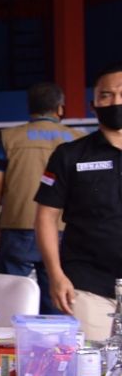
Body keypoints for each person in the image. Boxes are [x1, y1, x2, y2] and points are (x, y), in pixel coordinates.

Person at [36, 64, 122, 341]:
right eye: (106, 95)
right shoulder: (70, 155)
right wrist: (55, 274)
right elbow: (46, 216)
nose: (115, 102)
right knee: (90, 372)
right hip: (87, 286)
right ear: (93, 105)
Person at [0, 82, 82, 314]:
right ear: (60, 108)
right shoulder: (79, 140)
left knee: (12, 296)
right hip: (62, 227)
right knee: (58, 294)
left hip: (17, 226)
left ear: (30, 108)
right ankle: (54, 346)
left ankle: (12, 346)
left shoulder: (8, 138)